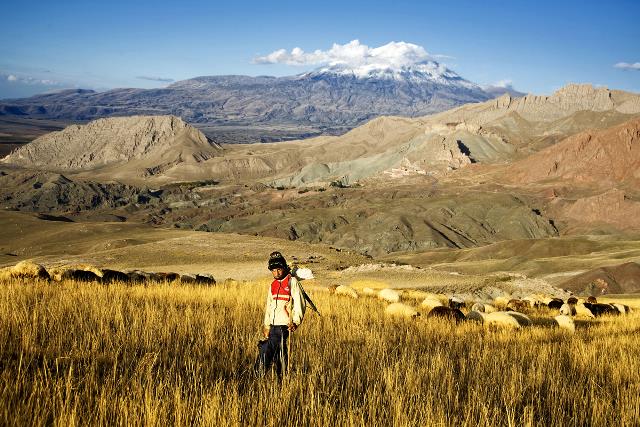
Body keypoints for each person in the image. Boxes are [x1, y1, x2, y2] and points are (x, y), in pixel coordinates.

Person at [256, 251, 306, 377]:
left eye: (279, 269)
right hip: (273, 325)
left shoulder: (292, 282)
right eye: (273, 270)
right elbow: (269, 306)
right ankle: (282, 377)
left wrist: (295, 321)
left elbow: (300, 303)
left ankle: (258, 373)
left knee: (267, 348)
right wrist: (267, 325)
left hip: (284, 325)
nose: (276, 273)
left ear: (284, 268)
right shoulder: (273, 285)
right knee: (280, 352)